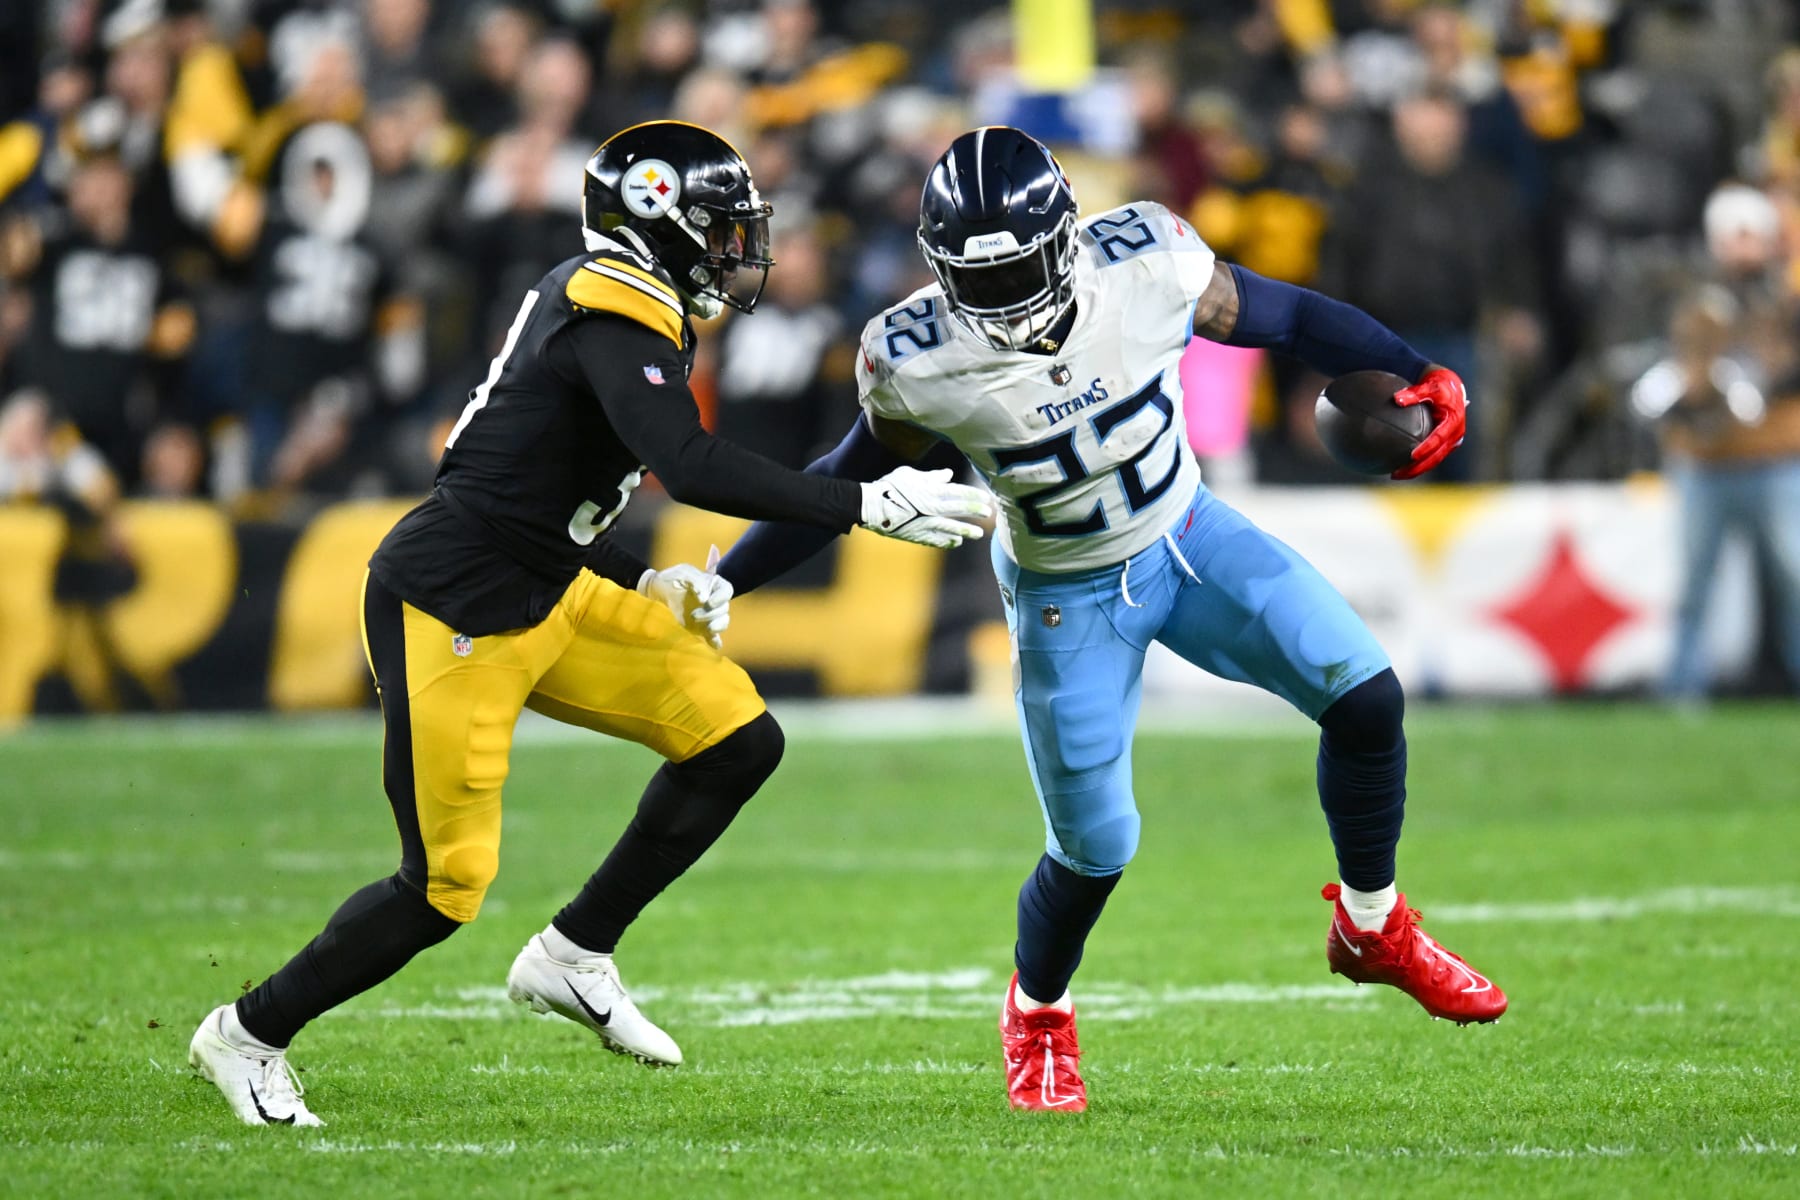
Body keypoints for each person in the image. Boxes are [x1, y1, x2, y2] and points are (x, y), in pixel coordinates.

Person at [187, 120, 991, 1127]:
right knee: (444, 886)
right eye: (724, 228)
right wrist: (864, 505)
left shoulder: (626, 301)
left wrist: (643, 578)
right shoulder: (609, 308)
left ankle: (574, 953)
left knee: (737, 738)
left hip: (547, 579)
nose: (744, 249)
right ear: (663, 223)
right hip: (458, 604)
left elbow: (545, 485)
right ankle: (248, 1033)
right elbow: (686, 466)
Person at [718, 126, 1507, 1114]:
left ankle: (1371, 925)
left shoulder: (1148, 261)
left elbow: (1291, 315)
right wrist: (728, 582)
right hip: (1065, 593)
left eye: (1019, 274)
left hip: (1188, 536)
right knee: (1095, 848)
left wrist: (1413, 367)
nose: (1002, 300)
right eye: (979, 280)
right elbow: (842, 481)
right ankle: (1037, 1009)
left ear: (1066, 237)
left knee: (1365, 695)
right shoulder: (913, 358)